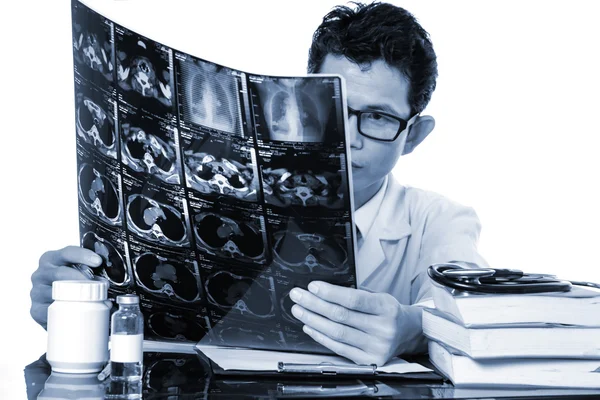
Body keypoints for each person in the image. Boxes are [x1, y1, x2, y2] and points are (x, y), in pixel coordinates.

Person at [30, 2, 488, 366]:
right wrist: (73, 301)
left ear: (415, 135)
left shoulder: (439, 220)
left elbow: (477, 324)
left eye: (378, 117)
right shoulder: (215, 197)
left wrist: (411, 327)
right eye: (334, 108)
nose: (347, 139)